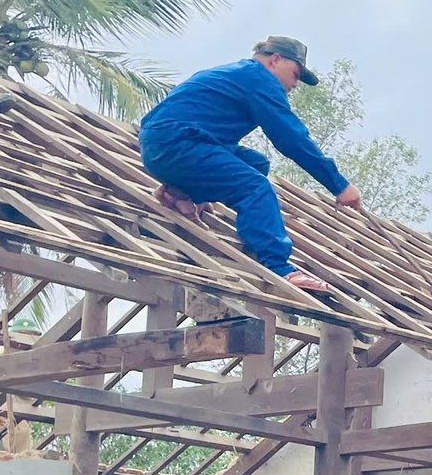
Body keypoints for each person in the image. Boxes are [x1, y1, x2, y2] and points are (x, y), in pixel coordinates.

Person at [136, 36, 361, 293]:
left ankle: (179, 193)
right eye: (296, 74)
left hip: (164, 144)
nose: (295, 84)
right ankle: (279, 267)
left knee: (256, 163)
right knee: (255, 187)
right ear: (275, 59)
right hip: (178, 145)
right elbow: (291, 137)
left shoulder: (240, 73)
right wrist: (339, 185)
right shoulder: (260, 80)